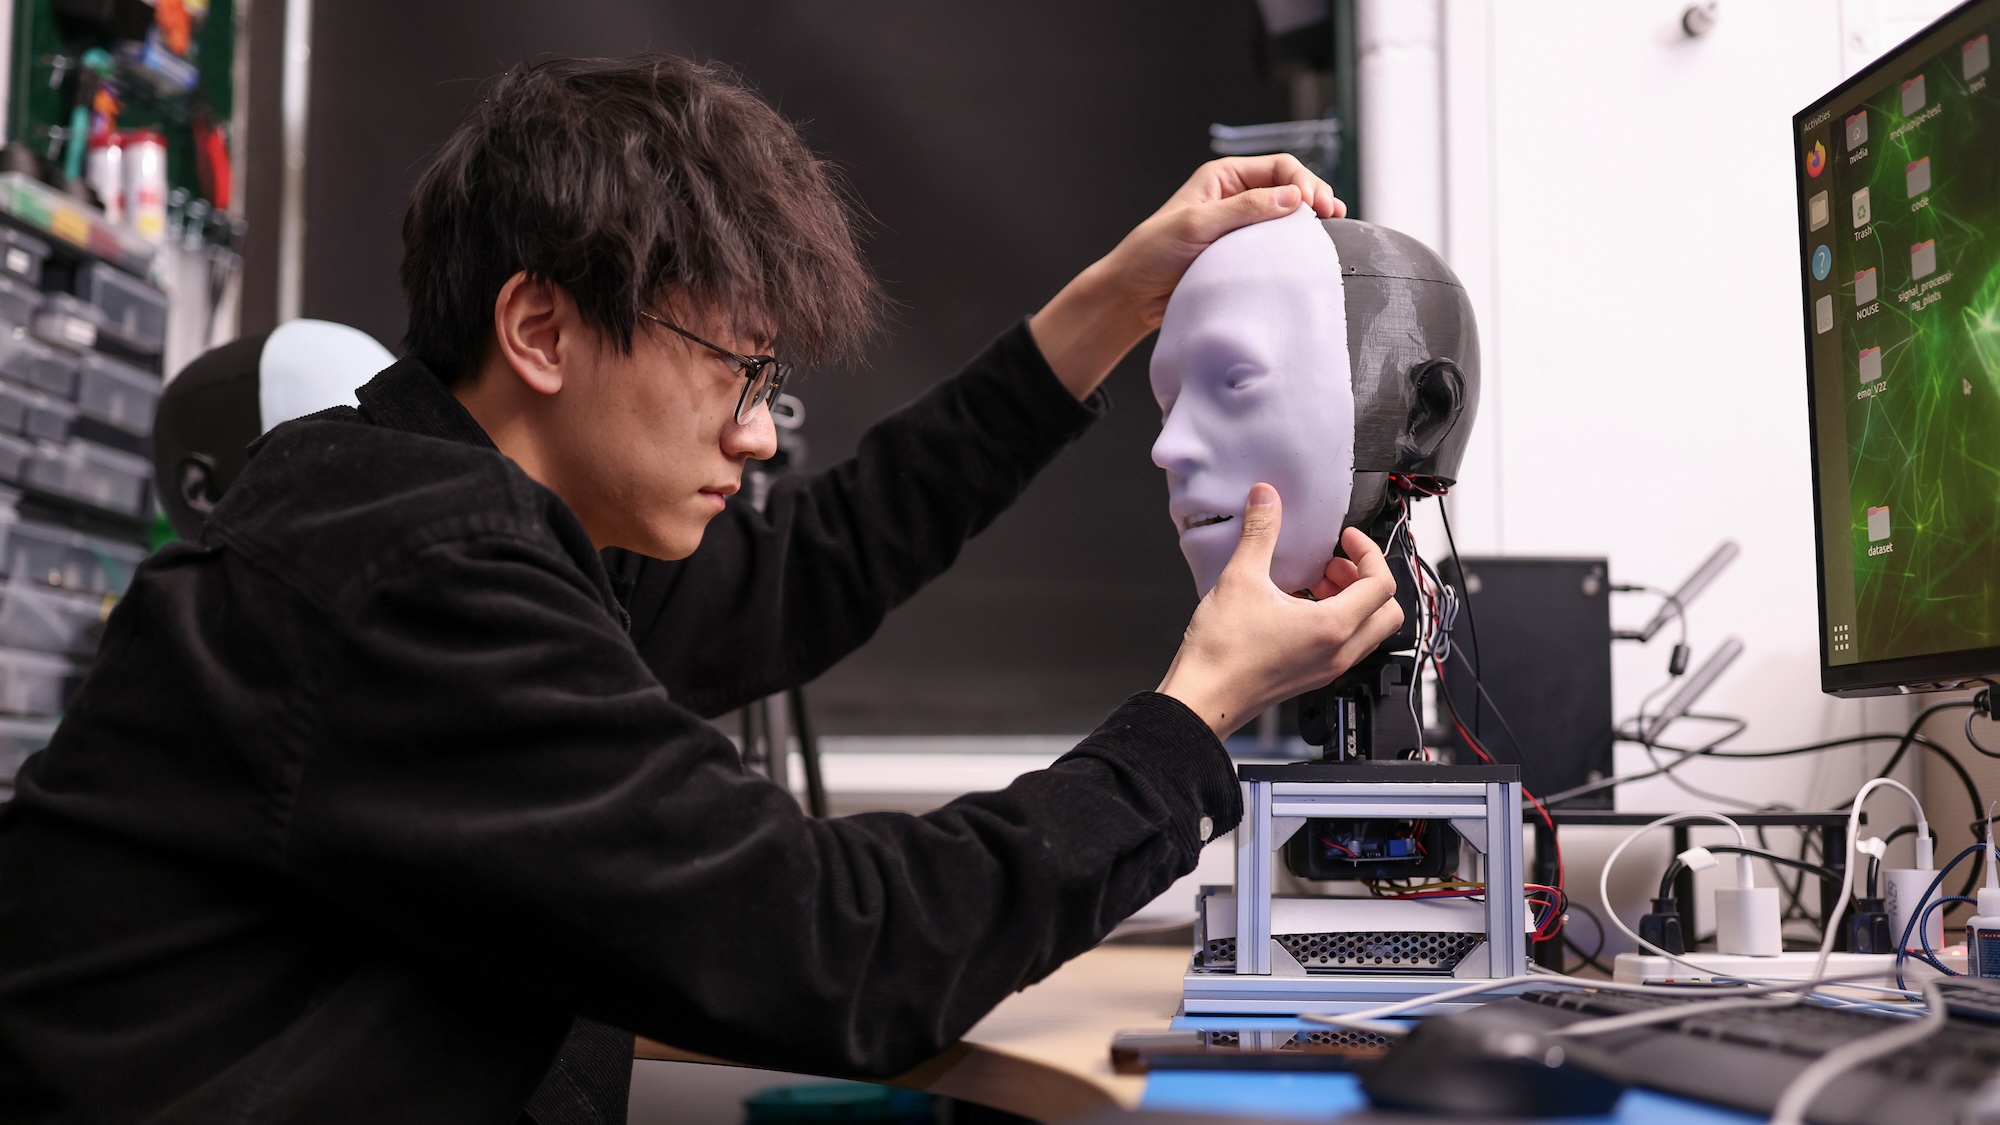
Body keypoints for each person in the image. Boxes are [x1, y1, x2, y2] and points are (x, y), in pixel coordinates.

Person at [0, 55, 1402, 1124]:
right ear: (541, 326)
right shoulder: (413, 581)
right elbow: (841, 949)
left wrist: (1110, 303)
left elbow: (811, 569)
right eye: (737, 374)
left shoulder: (431, 500)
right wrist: (1197, 708)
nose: (756, 430)